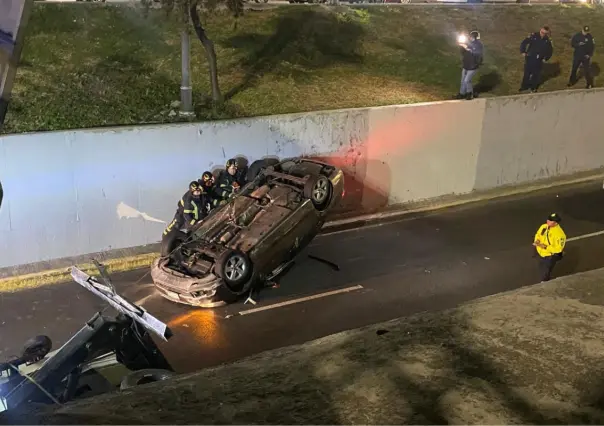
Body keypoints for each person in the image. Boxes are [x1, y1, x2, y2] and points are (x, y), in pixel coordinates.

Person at [161, 181, 208, 256]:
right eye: (197, 191)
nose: (199, 192)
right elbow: (186, 215)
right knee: (190, 238)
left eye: (199, 190)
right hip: (191, 224)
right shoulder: (189, 200)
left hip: (198, 222)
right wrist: (195, 223)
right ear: (192, 191)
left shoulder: (200, 198)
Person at [533, 213, 566, 282]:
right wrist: (537, 240)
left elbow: (558, 249)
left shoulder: (559, 235)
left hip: (549, 256)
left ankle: (545, 282)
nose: (548, 221)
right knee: (541, 267)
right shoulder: (544, 226)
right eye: (548, 219)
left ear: (556, 223)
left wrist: (545, 247)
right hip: (540, 253)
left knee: (545, 272)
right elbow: (538, 234)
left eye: (550, 220)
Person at [519, 26, 554, 93]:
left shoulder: (547, 40)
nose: (542, 34)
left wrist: (546, 58)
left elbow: (550, 50)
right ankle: (524, 87)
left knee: (536, 74)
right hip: (530, 57)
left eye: (544, 33)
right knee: (527, 73)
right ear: (540, 30)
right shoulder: (533, 36)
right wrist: (523, 51)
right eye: (542, 32)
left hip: (539, 59)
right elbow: (524, 43)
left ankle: (533, 87)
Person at [455, 30, 484, 100]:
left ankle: (469, 93)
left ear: (474, 37)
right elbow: (464, 52)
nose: (469, 37)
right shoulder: (469, 43)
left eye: (471, 36)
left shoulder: (479, 44)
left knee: (467, 80)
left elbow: (476, 53)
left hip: (473, 66)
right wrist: (461, 46)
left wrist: (467, 48)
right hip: (466, 65)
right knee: (463, 81)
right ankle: (462, 94)